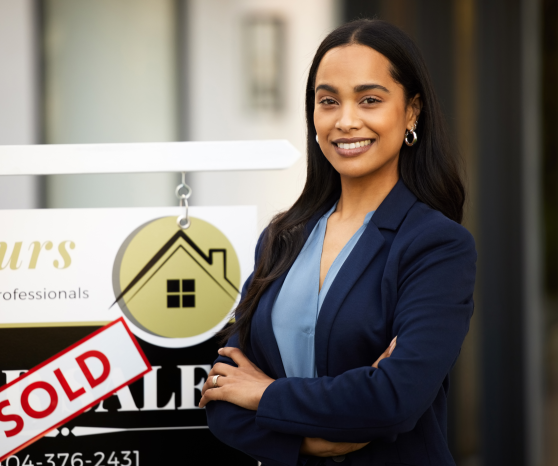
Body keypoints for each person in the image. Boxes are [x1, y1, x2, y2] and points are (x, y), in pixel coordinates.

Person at [199, 19, 476, 466]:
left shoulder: (437, 246)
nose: (346, 121)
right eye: (328, 101)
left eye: (369, 100)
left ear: (411, 111)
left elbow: (392, 400)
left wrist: (265, 393)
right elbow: (222, 395)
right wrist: (312, 443)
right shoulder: (282, 238)